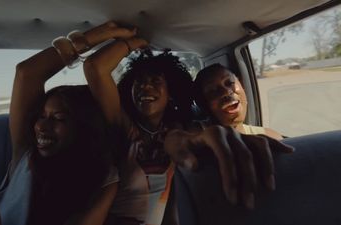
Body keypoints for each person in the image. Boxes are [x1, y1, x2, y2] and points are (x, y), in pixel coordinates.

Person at [84, 22, 293, 224]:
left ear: (172, 92)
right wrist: (136, 42)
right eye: (139, 82)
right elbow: (95, 67)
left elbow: (181, 140)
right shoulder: (122, 125)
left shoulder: (179, 127)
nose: (145, 87)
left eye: (155, 81)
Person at [0, 22, 137, 225]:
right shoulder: (27, 155)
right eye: (42, 116)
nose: (41, 127)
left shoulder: (102, 176)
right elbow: (27, 73)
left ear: (84, 127)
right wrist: (91, 38)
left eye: (59, 118)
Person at [194, 63, 284, 140]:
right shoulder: (195, 135)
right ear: (203, 103)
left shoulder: (269, 136)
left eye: (230, 83)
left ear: (242, 85)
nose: (226, 92)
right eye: (212, 90)